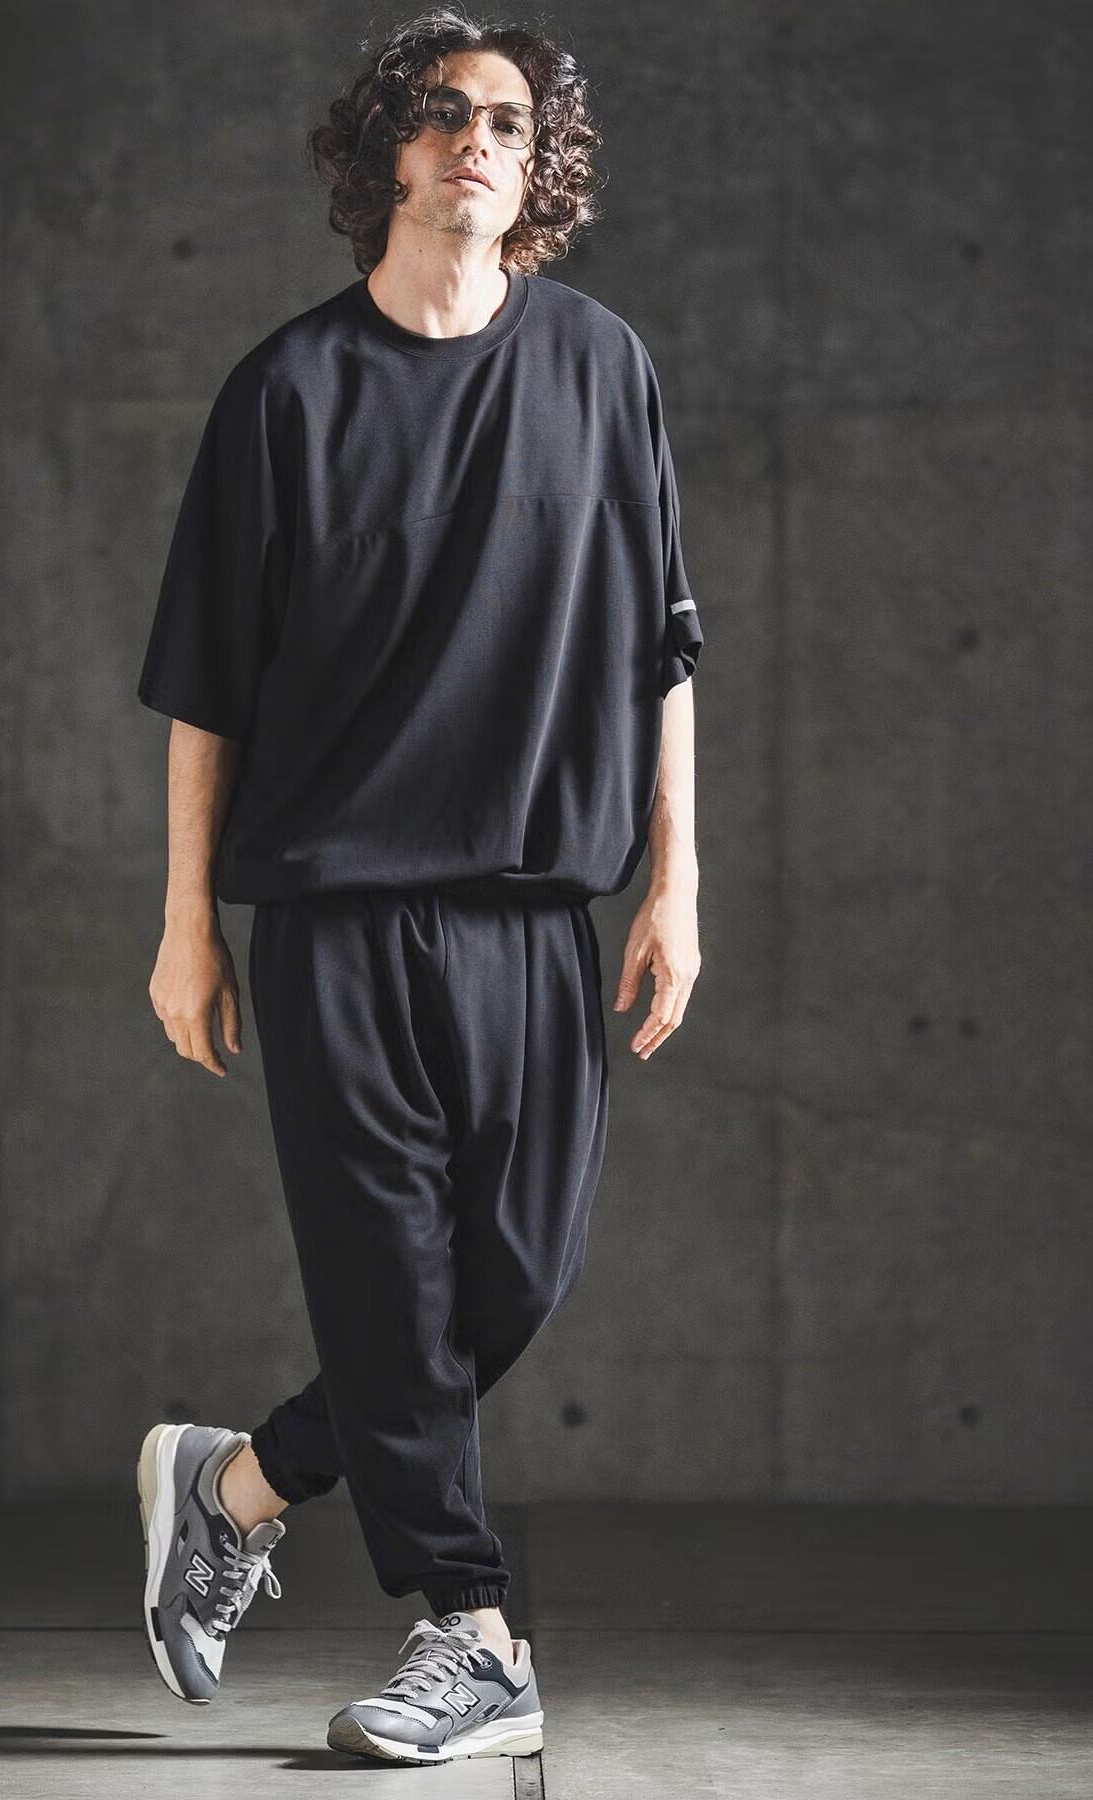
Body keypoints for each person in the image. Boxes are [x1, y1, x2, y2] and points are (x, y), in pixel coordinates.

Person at [132, 7, 703, 1767]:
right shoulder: (286, 391)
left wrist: (676, 881)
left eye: (510, 122)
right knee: (391, 1284)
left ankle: (239, 1485)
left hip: (539, 906)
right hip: (336, 913)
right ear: (388, 147)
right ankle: (473, 1630)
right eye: (445, 112)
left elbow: (663, 656)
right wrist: (188, 923)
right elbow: (209, 690)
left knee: (504, 1282)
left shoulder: (601, 367)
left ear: (541, 167)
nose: (477, 140)